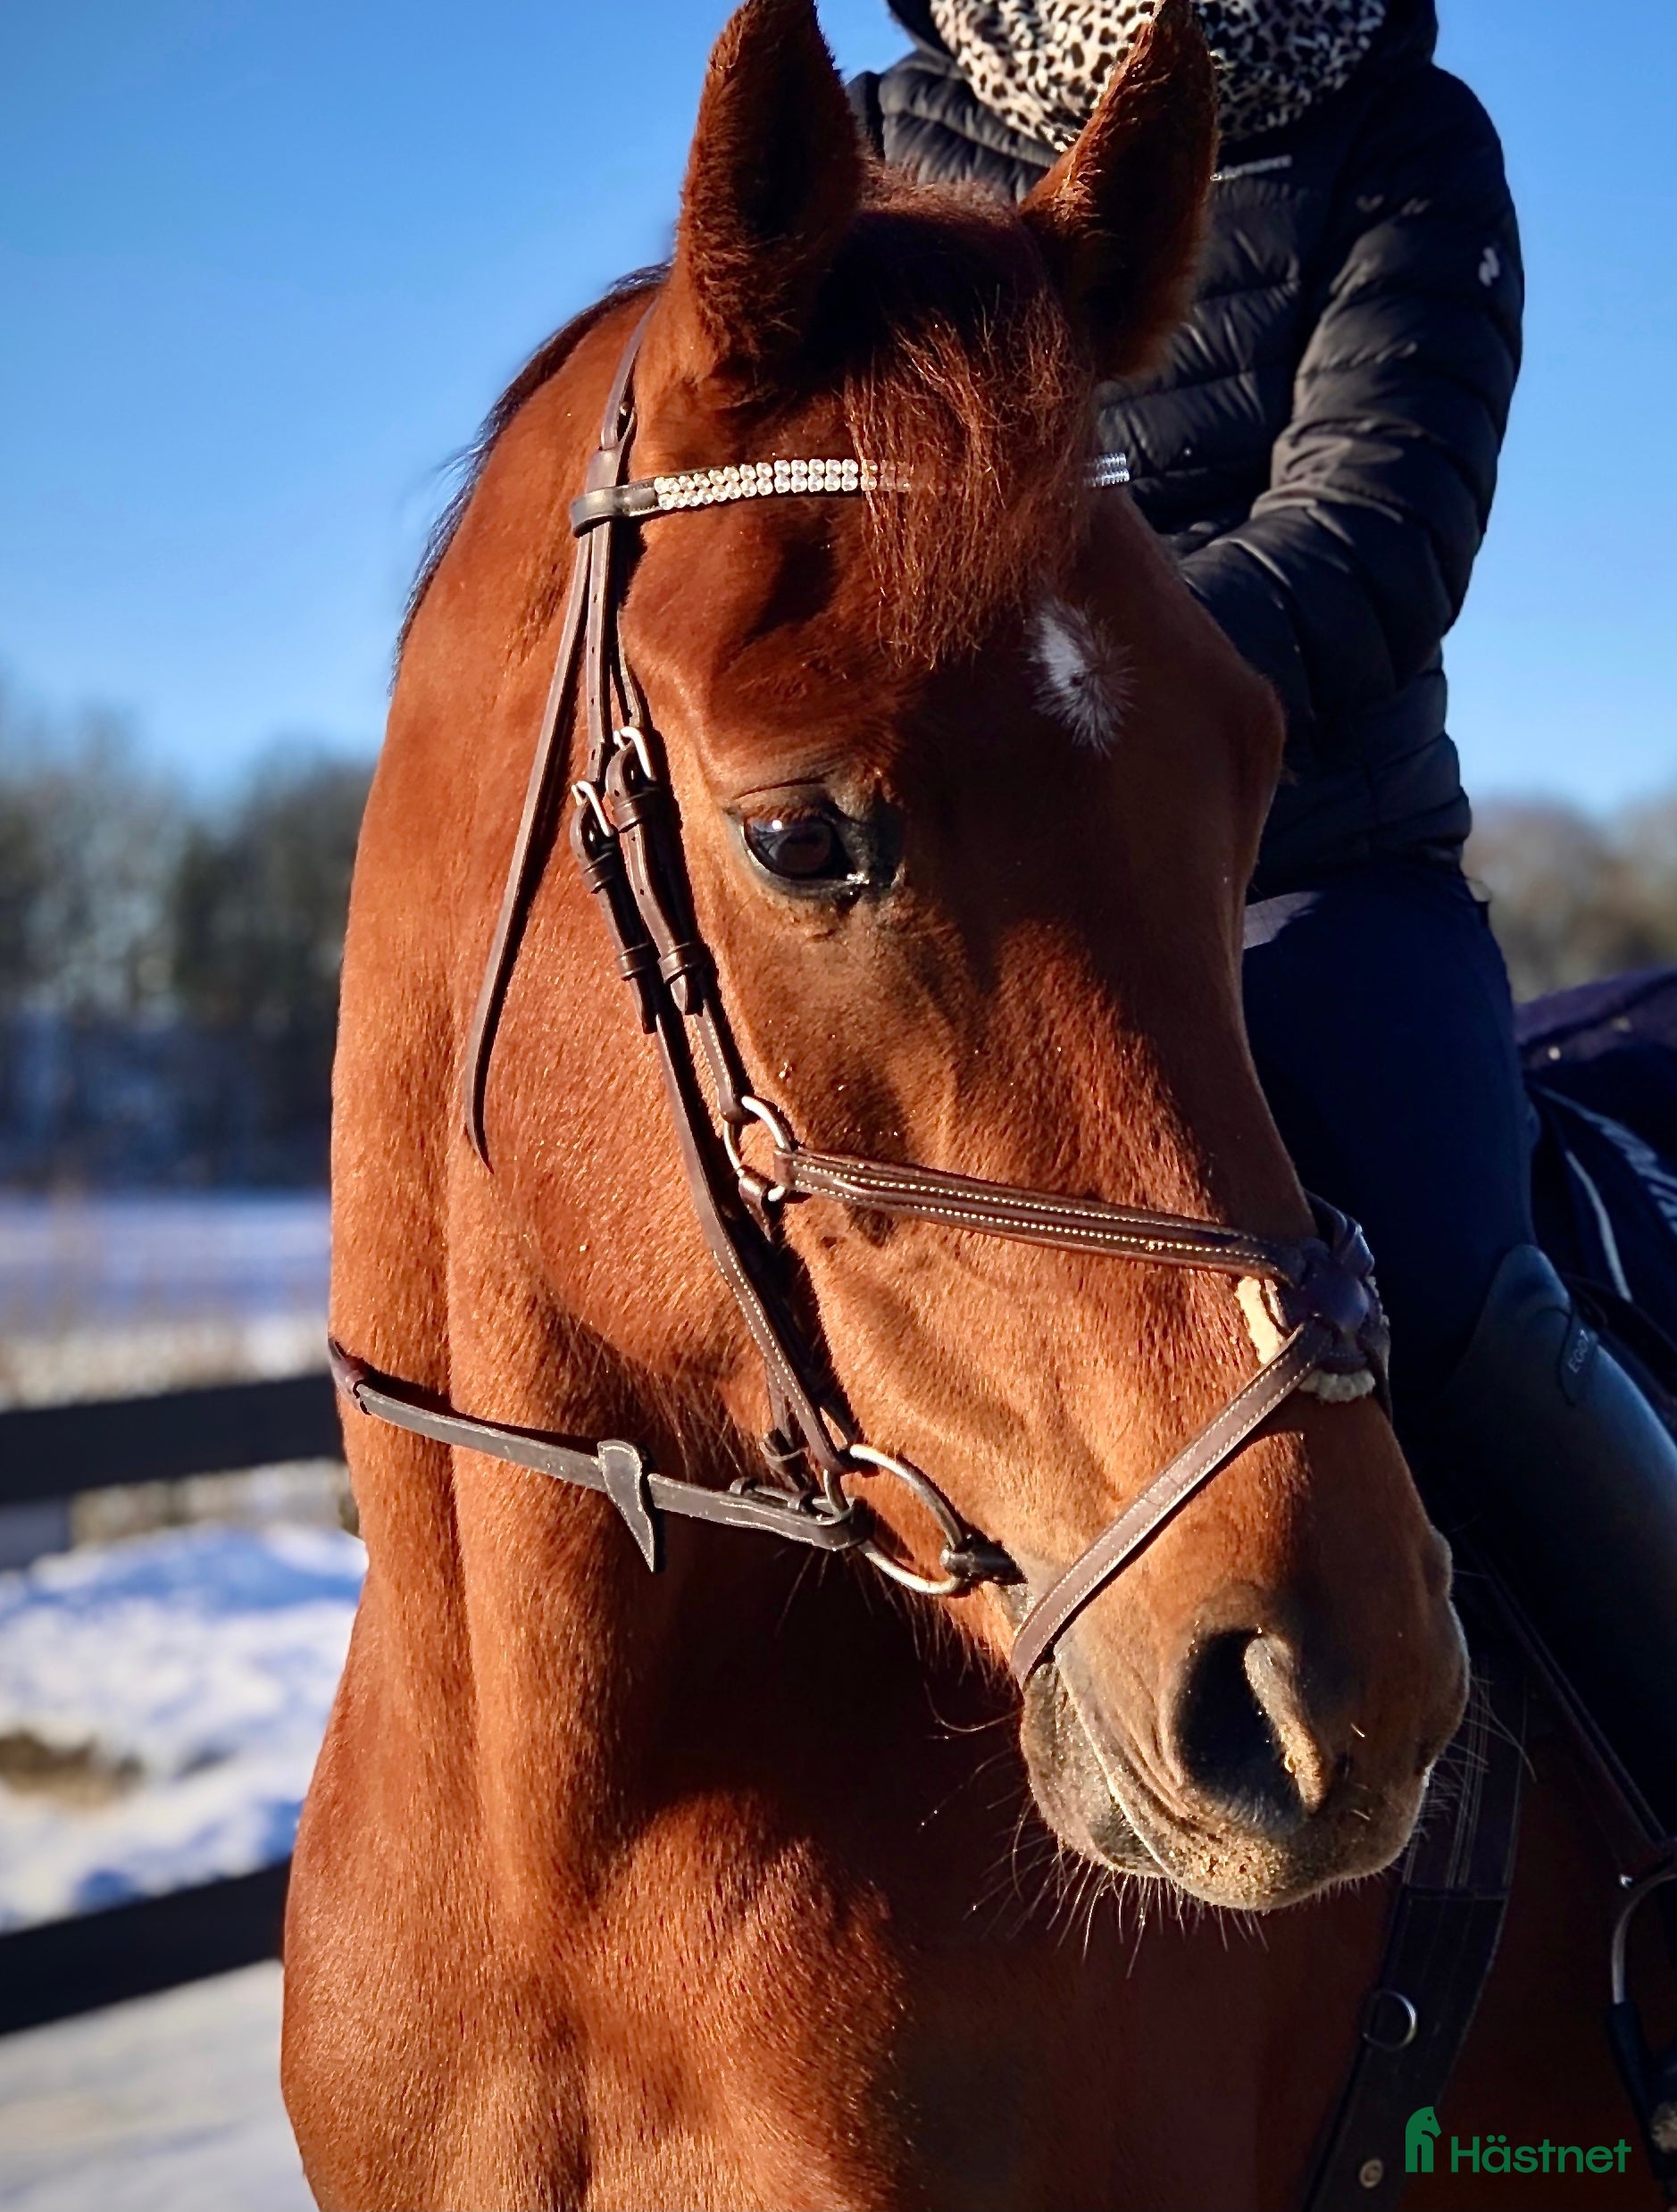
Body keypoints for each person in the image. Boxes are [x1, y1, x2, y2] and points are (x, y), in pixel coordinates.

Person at [850, 0, 1677, 1828]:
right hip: (951, 907)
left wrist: (1049, 704)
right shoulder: (869, 152)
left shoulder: (1402, 141)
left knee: (1455, 1281)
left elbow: (1376, 528)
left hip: (1316, 883)